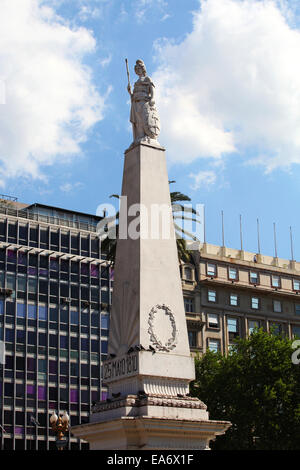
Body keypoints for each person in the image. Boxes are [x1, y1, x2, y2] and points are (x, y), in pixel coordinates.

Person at [127, 59, 160, 144]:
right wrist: (130, 92)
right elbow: (133, 95)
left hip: (144, 102)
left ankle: (146, 136)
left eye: (139, 68)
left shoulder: (147, 78)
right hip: (136, 102)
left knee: (143, 119)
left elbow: (152, 88)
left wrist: (152, 98)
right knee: (138, 122)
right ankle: (140, 136)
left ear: (143, 68)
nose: (138, 70)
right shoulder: (136, 82)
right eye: (136, 69)